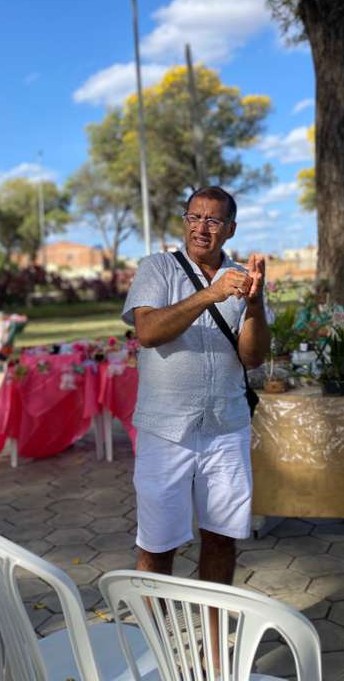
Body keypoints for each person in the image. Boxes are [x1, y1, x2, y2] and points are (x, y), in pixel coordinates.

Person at [122, 186, 269, 597]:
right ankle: (155, 630)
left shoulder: (241, 278)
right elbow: (148, 332)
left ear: (230, 229)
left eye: (213, 220)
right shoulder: (157, 268)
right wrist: (210, 294)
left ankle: (214, 626)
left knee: (222, 538)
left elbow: (253, 357)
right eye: (194, 217)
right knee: (158, 542)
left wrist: (255, 304)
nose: (201, 228)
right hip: (165, 430)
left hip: (226, 427)